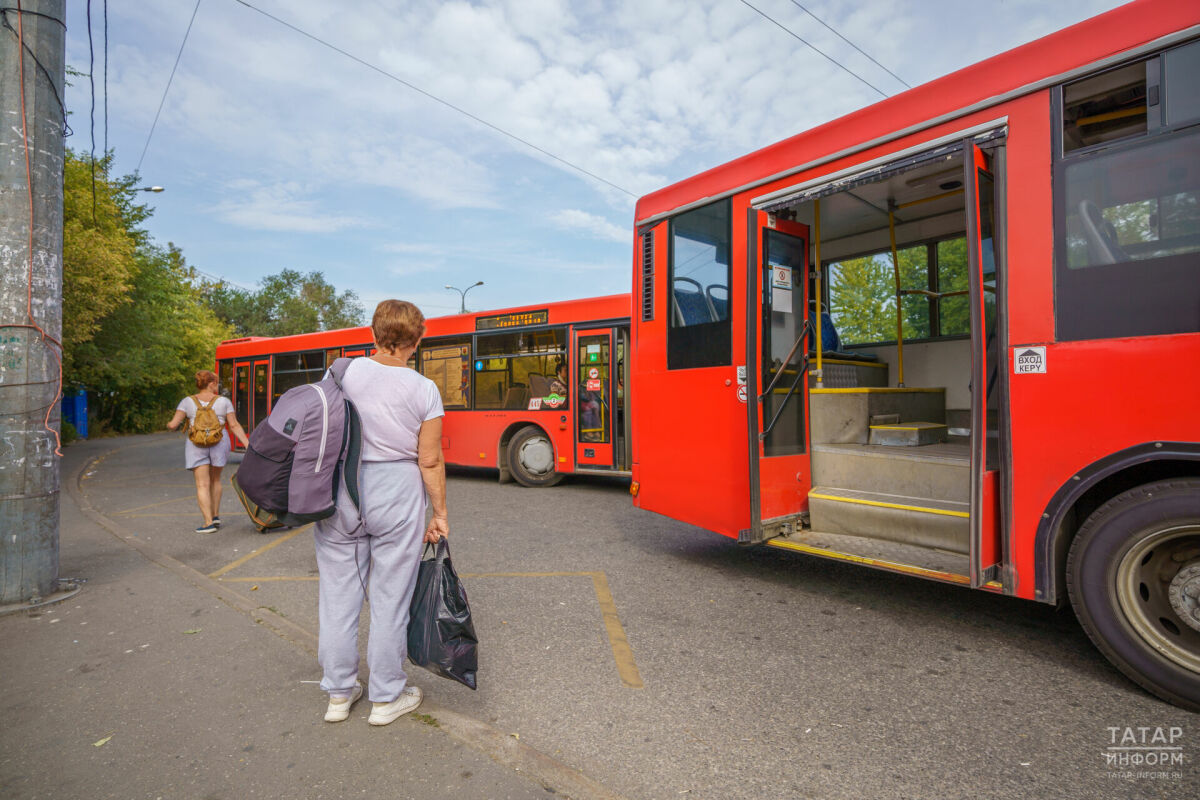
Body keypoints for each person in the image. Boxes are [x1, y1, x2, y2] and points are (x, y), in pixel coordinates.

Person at [316, 299, 449, 727]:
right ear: (418, 339)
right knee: (391, 598)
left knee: (338, 596)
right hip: (397, 491)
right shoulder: (423, 389)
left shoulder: (342, 372)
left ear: (373, 335)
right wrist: (439, 513)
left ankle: (338, 694)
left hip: (342, 490)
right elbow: (429, 461)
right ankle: (386, 696)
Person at [166, 370, 249, 534]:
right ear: (211, 384)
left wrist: (170, 424)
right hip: (219, 442)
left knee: (202, 484)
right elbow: (233, 425)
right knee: (216, 480)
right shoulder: (224, 401)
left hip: (196, 444)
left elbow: (173, 425)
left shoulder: (187, 401)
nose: (217, 386)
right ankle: (216, 515)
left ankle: (208, 522)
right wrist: (247, 444)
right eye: (216, 383)